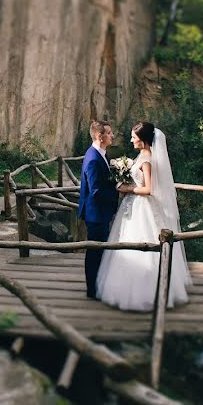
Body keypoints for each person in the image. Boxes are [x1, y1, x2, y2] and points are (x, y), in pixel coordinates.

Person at [96, 122, 192, 311]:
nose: (131, 139)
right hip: (133, 205)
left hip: (142, 208)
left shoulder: (147, 160)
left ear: (144, 139)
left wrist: (127, 188)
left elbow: (149, 189)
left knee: (141, 245)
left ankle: (145, 293)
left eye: (134, 137)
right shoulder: (142, 155)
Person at [77, 120, 119, 299]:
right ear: (99, 136)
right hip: (95, 214)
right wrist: (117, 192)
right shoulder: (93, 158)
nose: (112, 136)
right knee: (95, 251)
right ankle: (91, 290)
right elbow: (96, 190)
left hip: (100, 212)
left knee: (99, 250)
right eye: (109, 133)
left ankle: (97, 286)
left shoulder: (101, 154)